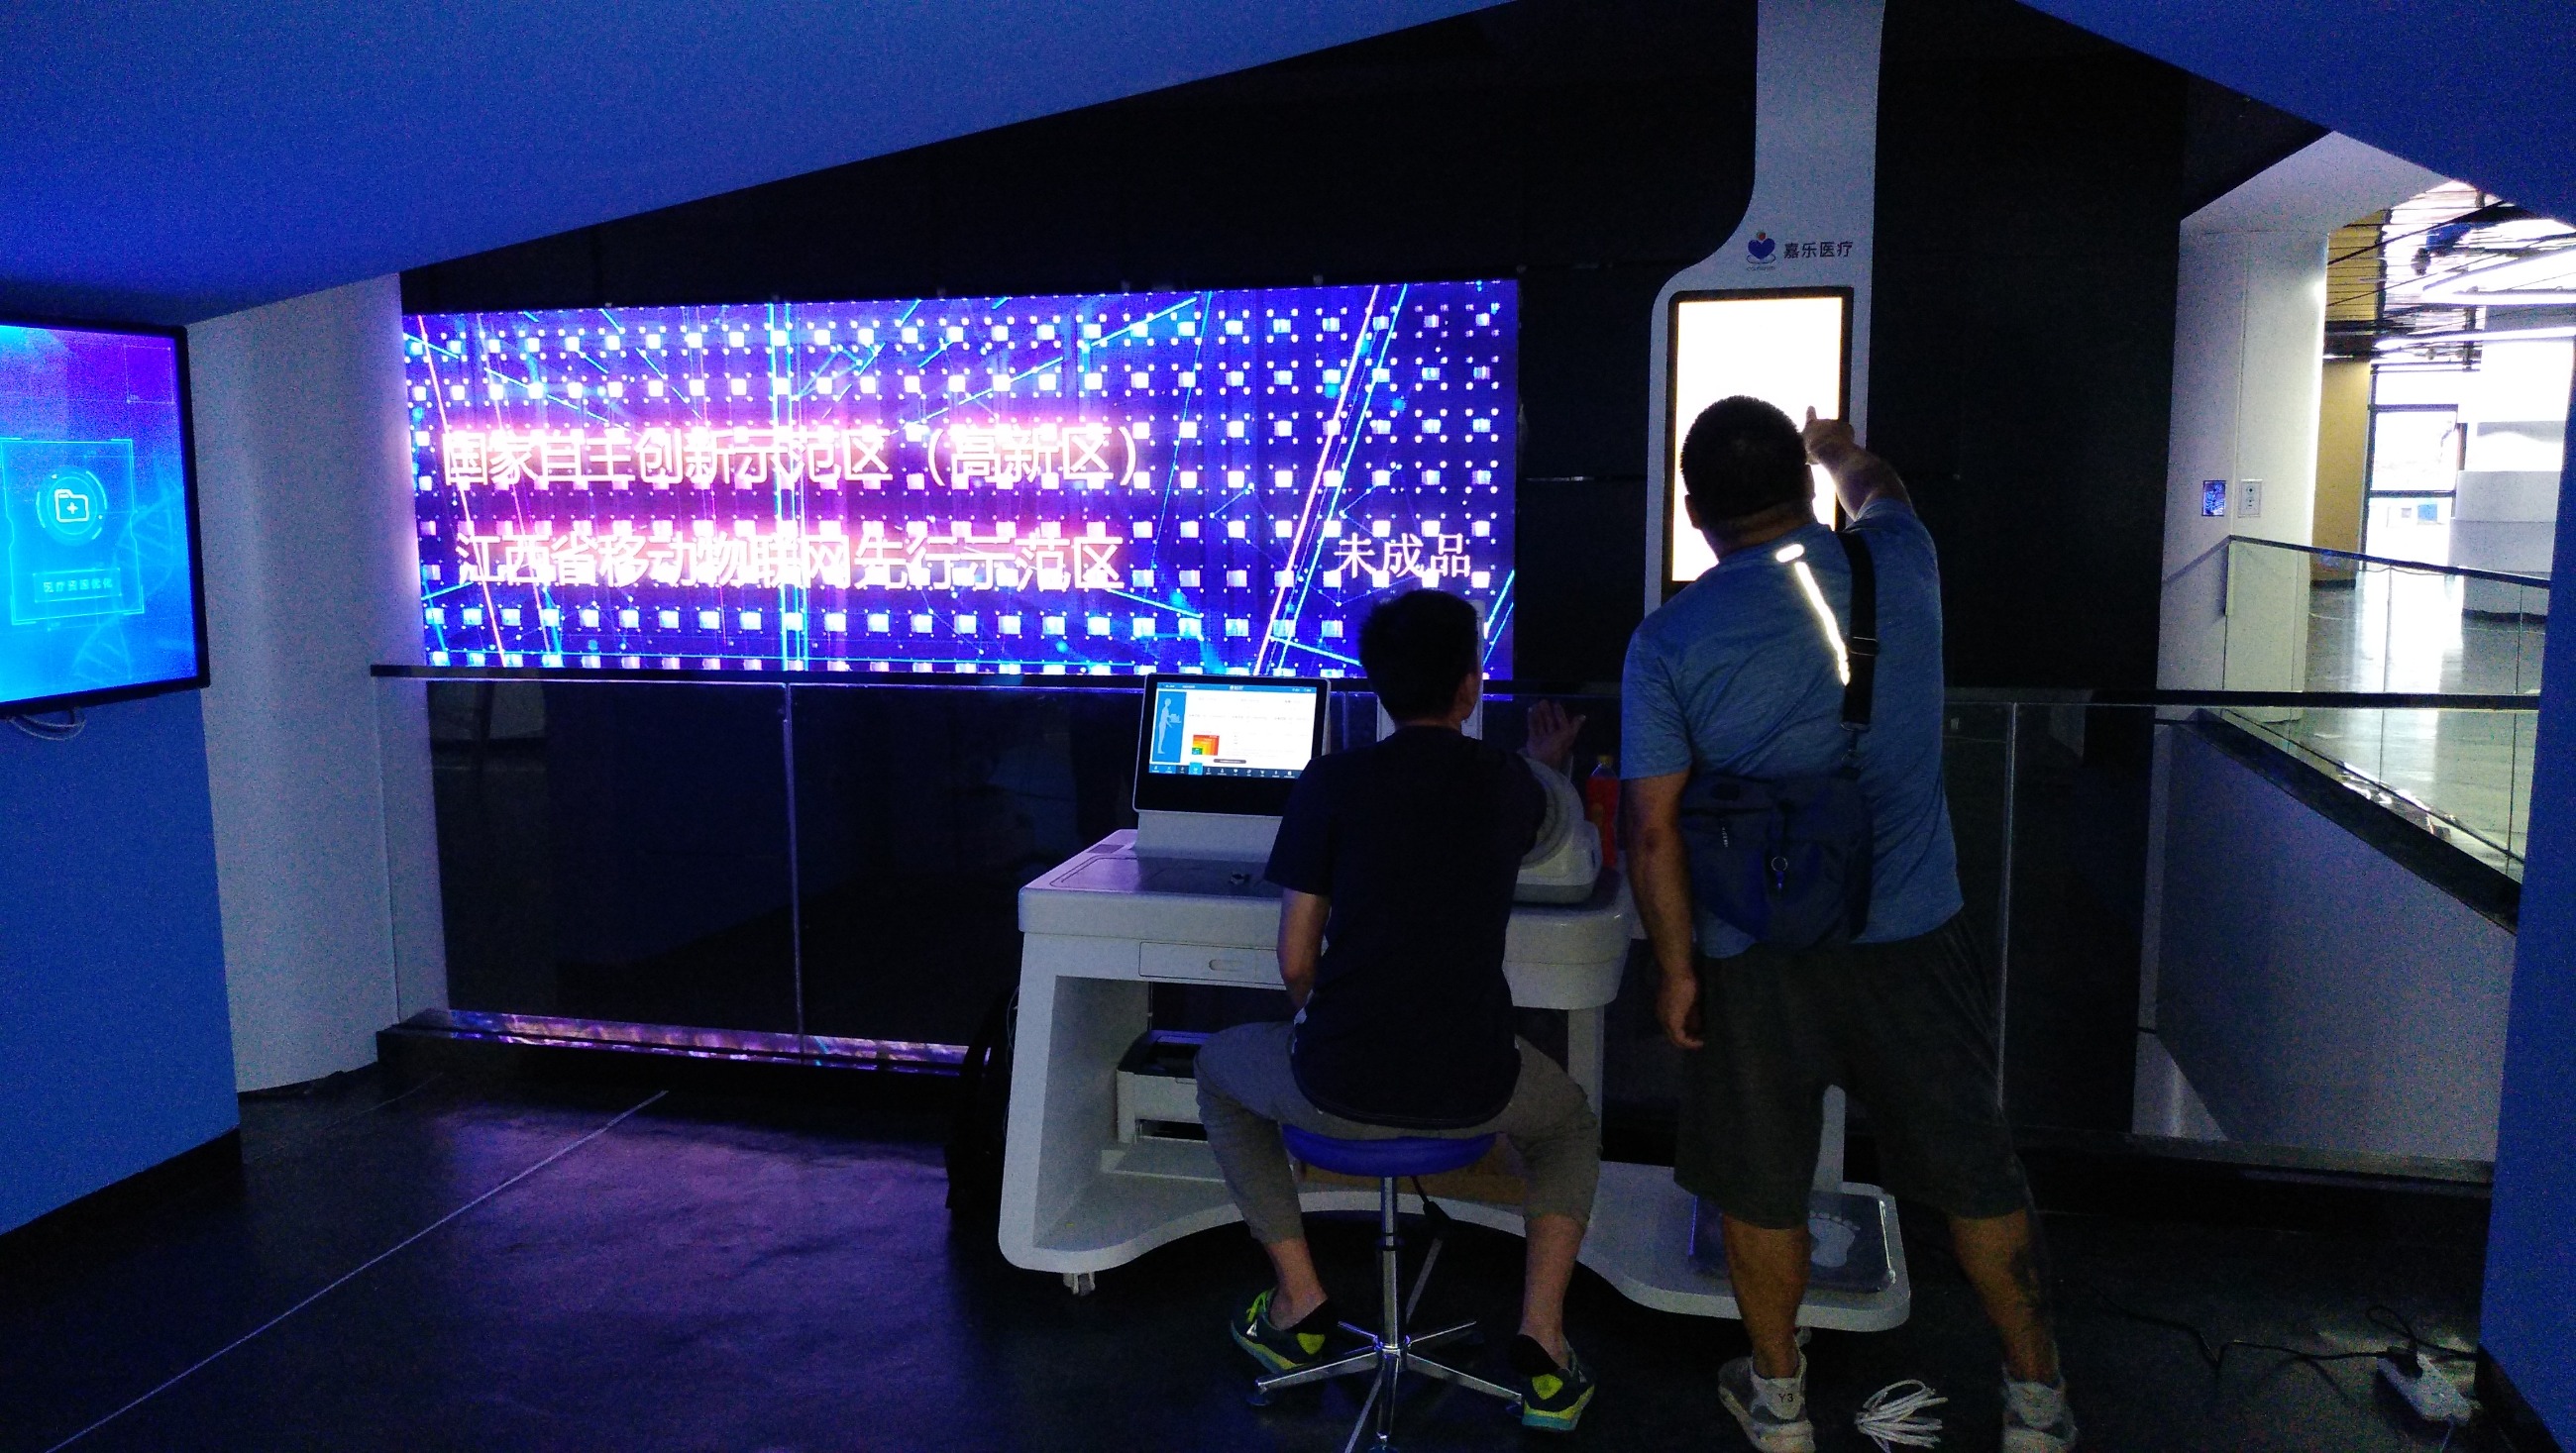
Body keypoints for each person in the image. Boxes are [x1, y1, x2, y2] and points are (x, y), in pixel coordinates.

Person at [1621, 398, 2077, 1453]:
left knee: (1759, 1184)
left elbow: (1651, 831)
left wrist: (1677, 970)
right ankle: (2036, 1400)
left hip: (1753, 954)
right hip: (1913, 935)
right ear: (1802, 483)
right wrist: (1834, 446)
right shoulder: (1899, 560)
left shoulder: (1668, 641)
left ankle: (1779, 1402)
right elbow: (1881, 489)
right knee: (1974, 1171)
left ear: (1693, 513)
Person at [1193, 587, 1604, 1431]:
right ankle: (1543, 1343)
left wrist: (1317, 1019)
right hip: (1475, 1084)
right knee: (1567, 1125)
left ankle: (1299, 1302)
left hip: (1334, 1081)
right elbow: (1542, 818)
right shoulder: (1509, 781)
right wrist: (1545, 764)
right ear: (1471, 685)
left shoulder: (1330, 782)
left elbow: (1295, 959)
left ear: (1376, 683)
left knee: (1217, 1071)